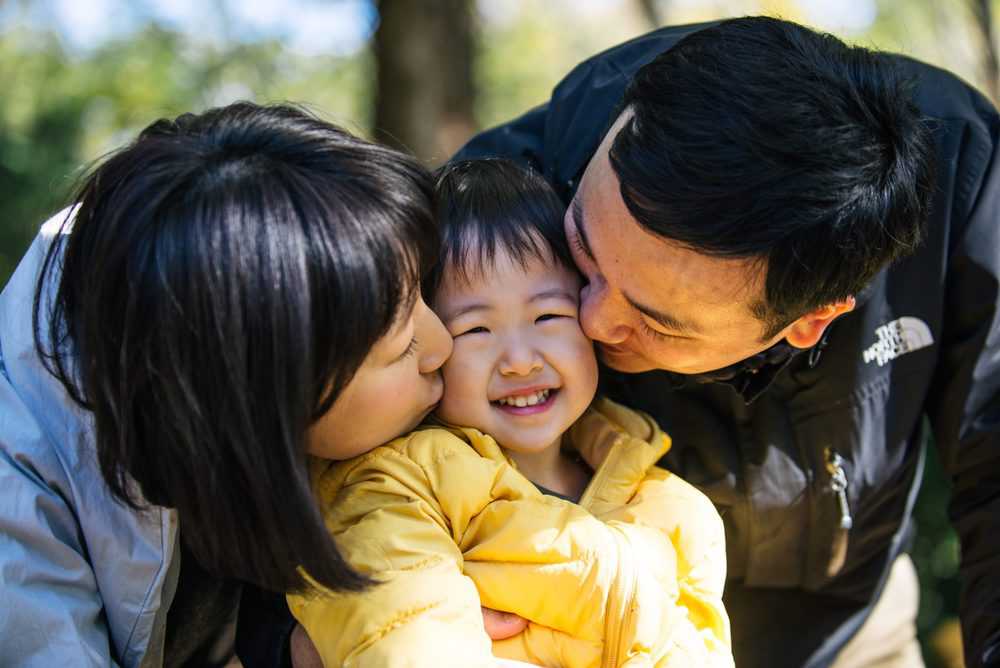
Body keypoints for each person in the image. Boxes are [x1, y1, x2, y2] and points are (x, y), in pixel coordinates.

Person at [456, 15, 1000, 668]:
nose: (593, 324)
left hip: (850, 628)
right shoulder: (483, 206)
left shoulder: (966, 175)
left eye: (657, 321)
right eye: (581, 250)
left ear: (811, 322)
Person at [0, 102, 454, 667]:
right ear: (266, 400)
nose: (444, 346)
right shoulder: (18, 549)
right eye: (404, 344)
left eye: (426, 294)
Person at [286, 159, 733, 667]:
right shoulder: (402, 484)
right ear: (427, 343)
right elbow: (405, 639)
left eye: (548, 316)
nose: (520, 359)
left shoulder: (672, 508)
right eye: (475, 330)